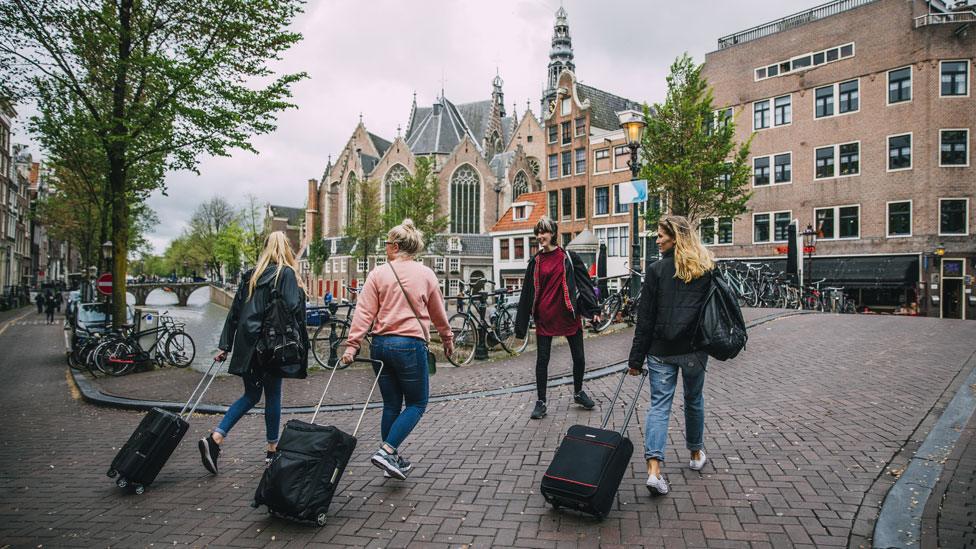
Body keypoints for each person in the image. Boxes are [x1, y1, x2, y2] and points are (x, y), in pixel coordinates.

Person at [340, 219, 455, 480]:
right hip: (409, 345)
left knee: (391, 404)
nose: (385, 248)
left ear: (395, 246)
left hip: (380, 345)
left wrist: (352, 345)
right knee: (417, 402)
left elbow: (364, 313)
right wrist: (447, 340)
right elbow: (438, 314)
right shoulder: (426, 274)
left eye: (387, 243)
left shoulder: (377, 274)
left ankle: (390, 460)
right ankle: (387, 451)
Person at [198, 231, 309, 474]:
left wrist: (225, 346)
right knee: (273, 396)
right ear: (286, 249)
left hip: (247, 347)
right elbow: (294, 309)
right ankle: (272, 449)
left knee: (250, 395)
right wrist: (300, 289)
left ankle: (216, 437)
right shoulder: (286, 273)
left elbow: (234, 312)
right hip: (270, 347)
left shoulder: (251, 275)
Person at [626, 215, 714, 496]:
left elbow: (646, 319)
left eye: (661, 235)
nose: (657, 239)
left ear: (676, 237)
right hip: (693, 349)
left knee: (659, 406)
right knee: (693, 399)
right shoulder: (705, 269)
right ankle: (696, 453)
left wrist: (636, 359)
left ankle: (654, 469)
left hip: (661, 350)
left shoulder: (655, 271)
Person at [514, 216, 601, 420]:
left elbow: (584, 283)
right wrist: (521, 326)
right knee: (542, 360)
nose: (539, 237)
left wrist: (594, 310)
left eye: (543, 232)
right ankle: (541, 401)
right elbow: (527, 293)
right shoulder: (534, 262)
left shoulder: (568, 257)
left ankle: (578, 392)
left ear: (552, 233)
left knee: (579, 357)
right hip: (545, 317)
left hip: (569, 315)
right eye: (537, 233)